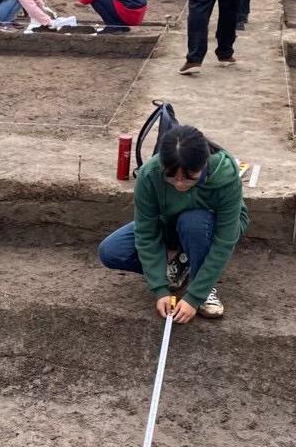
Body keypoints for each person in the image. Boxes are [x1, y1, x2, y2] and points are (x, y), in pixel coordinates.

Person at [97, 123, 247, 322]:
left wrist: (194, 297)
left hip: (205, 227)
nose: (179, 184)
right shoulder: (149, 175)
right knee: (111, 251)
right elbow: (146, 233)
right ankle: (179, 264)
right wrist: (160, 289)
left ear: (203, 164)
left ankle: (202, 286)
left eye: (189, 178)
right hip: (168, 222)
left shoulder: (226, 176)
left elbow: (224, 240)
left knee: (193, 222)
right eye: (171, 178)